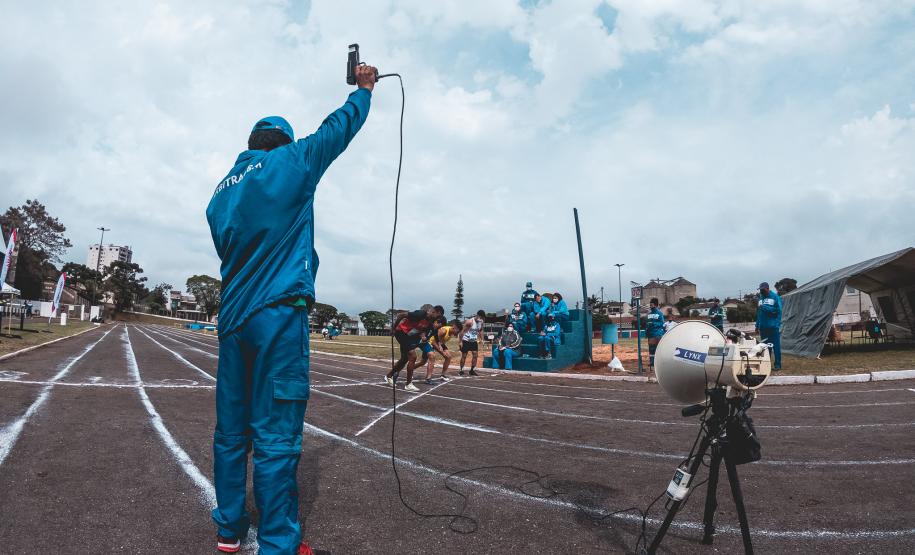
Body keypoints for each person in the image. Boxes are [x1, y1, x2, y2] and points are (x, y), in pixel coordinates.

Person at [205, 63, 377, 555]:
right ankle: (278, 542)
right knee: (276, 434)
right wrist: (364, 90)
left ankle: (228, 529)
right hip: (278, 315)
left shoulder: (219, 194)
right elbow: (336, 130)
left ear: (251, 144)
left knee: (231, 432)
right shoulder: (294, 160)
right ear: (283, 141)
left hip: (232, 320)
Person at [386, 305, 445, 391]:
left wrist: (423, 336)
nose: (437, 319)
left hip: (408, 336)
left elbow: (422, 330)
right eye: (438, 316)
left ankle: (389, 376)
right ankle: (408, 384)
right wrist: (393, 328)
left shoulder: (430, 322)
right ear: (435, 312)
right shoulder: (420, 314)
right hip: (400, 332)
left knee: (404, 359)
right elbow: (401, 315)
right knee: (413, 356)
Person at [755, 282, 783, 370]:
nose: (761, 291)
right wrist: (757, 326)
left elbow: (778, 311)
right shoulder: (760, 298)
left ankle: (777, 365)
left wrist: (764, 307)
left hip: (773, 327)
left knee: (775, 347)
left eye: (763, 290)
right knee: (765, 347)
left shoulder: (775, 297)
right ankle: (767, 365)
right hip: (763, 328)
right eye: (760, 290)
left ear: (767, 288)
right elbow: (759, 314)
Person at [423, 317, 457, 384]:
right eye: (440, 326)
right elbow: (433, 341)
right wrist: (441, 351)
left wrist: (440, 346)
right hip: (431, 342)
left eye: (441, 327)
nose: (440, 328)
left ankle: (442, 375)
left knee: (448, 357)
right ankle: (426, 377)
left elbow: (438, 340)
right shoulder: (443, 331)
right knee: (426, 360)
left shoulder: (438, 329)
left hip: (438, 343)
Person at [459, 310, 486, 376]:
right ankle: (461, 370)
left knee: (475, 355)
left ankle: (471, 370)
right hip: (466, 340)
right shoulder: (470, 322)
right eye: (480, 317)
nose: (481, 319)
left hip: (473, 341)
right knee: (464, 356)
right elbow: (462, 331)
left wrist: (482, 339)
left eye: (482, 318)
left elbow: (481, 330)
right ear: (477, 315)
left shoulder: (481, 322)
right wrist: (460, 341)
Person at [645, 298, 665, 369]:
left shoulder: (659, 313)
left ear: (655, 305)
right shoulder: (649, 314)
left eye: (652, 305)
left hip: (657, 334)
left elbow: (662, 323)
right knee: (651, 349)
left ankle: (659, 362)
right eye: (650, 305)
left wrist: (654, 324)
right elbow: (647, 324)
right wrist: (646, 332)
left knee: (658, 349)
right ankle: (652, 362)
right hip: (650, 335)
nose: (650, 306)